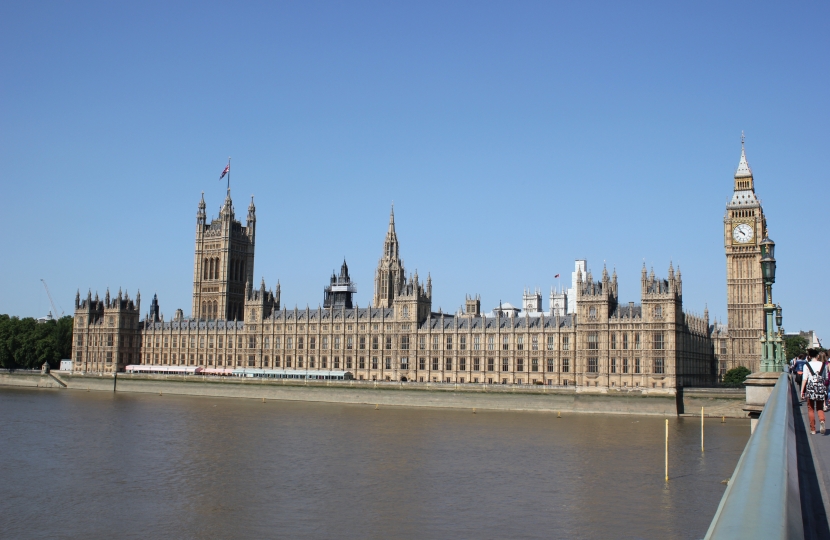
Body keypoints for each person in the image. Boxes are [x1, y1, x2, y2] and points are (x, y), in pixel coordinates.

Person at [800, 349, 827, 435]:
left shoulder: (806, 365)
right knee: (819, 407)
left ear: (809, 356)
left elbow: (804, 379)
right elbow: (826, 378)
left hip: (811, 389)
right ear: (817, 356)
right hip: (820, 389)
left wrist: (802, 391)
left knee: (810, 408)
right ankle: (822, 420)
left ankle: (813, 429)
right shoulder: (823, 364)